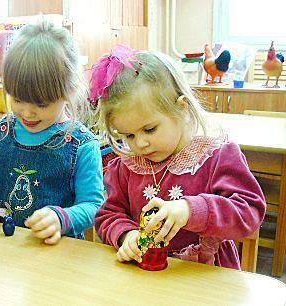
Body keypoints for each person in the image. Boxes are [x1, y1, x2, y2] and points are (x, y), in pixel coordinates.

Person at [92, 44, 266, 269]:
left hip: (205, 277)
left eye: (150, 129)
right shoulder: (127, 166)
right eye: (129, 135)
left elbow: (249, 212)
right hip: (143, 279)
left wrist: (190, 210)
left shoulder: (216, 156)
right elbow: (108, 215)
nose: (140, 144)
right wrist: (126, 235)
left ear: (181, 108)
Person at [0, 19, 104, 244]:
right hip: (0, 251)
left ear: (70, 90)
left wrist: (62, 218)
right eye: (17, 99)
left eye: (41, 104)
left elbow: (94, 207)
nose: (27, 113)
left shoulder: (82, 145)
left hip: (54, 254)